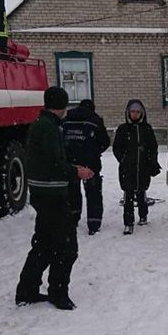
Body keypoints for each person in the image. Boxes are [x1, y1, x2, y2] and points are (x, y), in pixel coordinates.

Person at [16, 86, 94, 310]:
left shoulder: (43, 125)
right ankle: (58, 293)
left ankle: (27, 289)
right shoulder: (49, 128)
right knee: (66, 246)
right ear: (62, 106)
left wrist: (71, 169)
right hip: (51, 195)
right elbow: (55, 164)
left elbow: (50, 162)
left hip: (44, 193)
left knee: (43, 243)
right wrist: (77, 171)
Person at [63, 98, 111, 235]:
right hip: (90, 163)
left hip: (71, 163)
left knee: (72, 192)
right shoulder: (95, 121)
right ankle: (93, 223)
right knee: (93, 193)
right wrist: (95, 152)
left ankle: (73, 218)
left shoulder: (66, 120)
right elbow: (105, 141)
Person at [112, 98, 160, 235]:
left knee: (141, 191)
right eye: (132, 111)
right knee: (128, 194)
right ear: (128, 113)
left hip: (143, 167)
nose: (135, 114)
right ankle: (128, 223)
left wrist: (152, 161)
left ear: (142, 113)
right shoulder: (123, 129)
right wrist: (123, 160)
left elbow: (153, 147)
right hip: (127, 168)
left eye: (137, 112)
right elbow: (117, 148)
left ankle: (143, 215)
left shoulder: (147, 129)